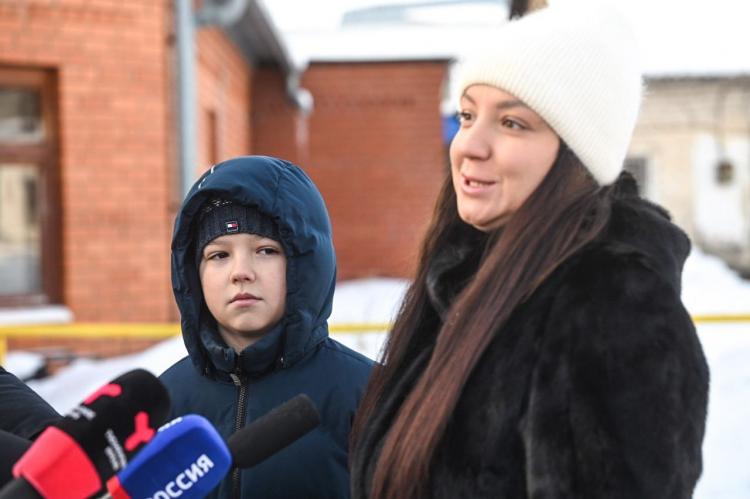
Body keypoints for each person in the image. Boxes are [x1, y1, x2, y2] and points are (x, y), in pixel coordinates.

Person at [349, 3, 709, 499]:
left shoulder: (610, 310)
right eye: (467, 115)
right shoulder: (462, 283)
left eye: (512, 123)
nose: (469, 145)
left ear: (575, 156)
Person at [160, 155, 374, 498]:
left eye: (266, 250)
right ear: (192, 274)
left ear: (306, 261)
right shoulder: (164, 402)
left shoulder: (372, 395)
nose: (241, 272)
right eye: (219, 255)